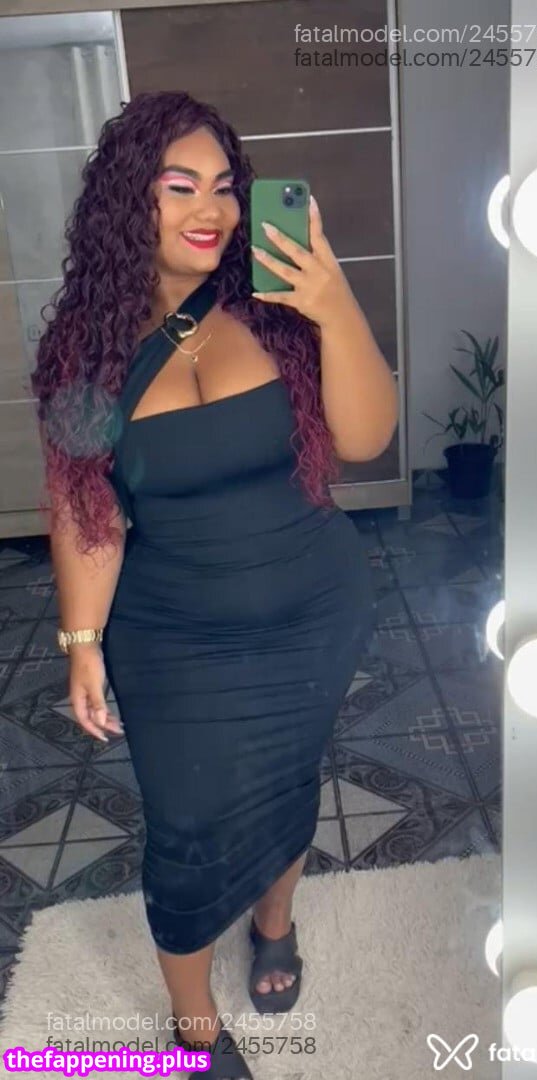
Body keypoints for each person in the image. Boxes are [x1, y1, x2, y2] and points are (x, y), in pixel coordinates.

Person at [31, 91, 398, 1080]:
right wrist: (81, 641)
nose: (213, 209)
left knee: (288, 780)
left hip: (314, 609)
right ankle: (193, 1026)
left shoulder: (279, 307)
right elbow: (84, 510)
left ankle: (275, 921)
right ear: (129, 200)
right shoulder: (87, 351)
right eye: (181, 185)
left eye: (227, 187)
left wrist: (333, 304)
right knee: (187, 827)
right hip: (174, 635)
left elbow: (367, 438)